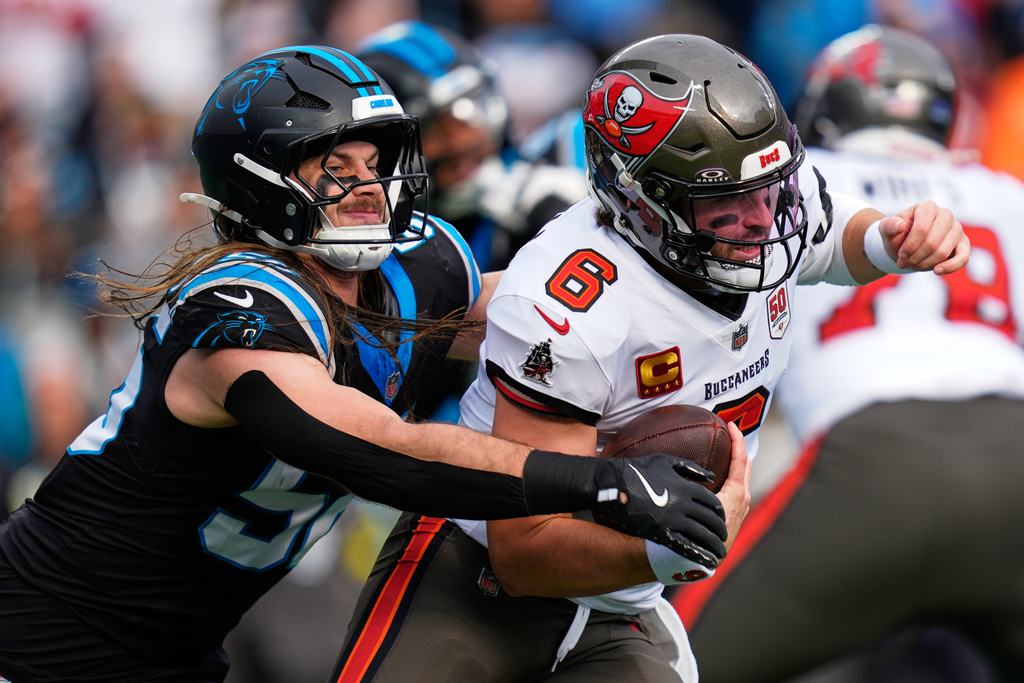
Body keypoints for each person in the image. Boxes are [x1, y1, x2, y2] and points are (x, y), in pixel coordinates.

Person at [0, 45, 733, 683]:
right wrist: (605, 482)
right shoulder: (239, 310)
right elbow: (386, 451)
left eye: (376, 163)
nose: (369, 186)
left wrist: (693, 263)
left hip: (171, 650)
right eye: (334, 165)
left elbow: (546, 316)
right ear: (259, 178)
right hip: (40, 633)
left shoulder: (414, 272)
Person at [329, 33, 969, 683]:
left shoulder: (768, 196)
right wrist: (673, 553)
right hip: (475, 576)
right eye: (723, 204)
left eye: (768, 192)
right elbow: (523, 552)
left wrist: (889, 241)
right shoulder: (571, 300)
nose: (757, 221)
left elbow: (829, 242)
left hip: (622, 611)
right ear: (641, 200)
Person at [672, 25, 1024, 683]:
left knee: (671, 668)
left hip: (870, 465)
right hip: (1014, 456)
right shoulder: (1004, 194)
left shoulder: (789, 182)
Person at [355, 20, 590, 423]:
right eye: (433, 127)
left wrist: (566, 210)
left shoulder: (569, 148)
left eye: (471, 109)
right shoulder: (384, 241)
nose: (465, 138)